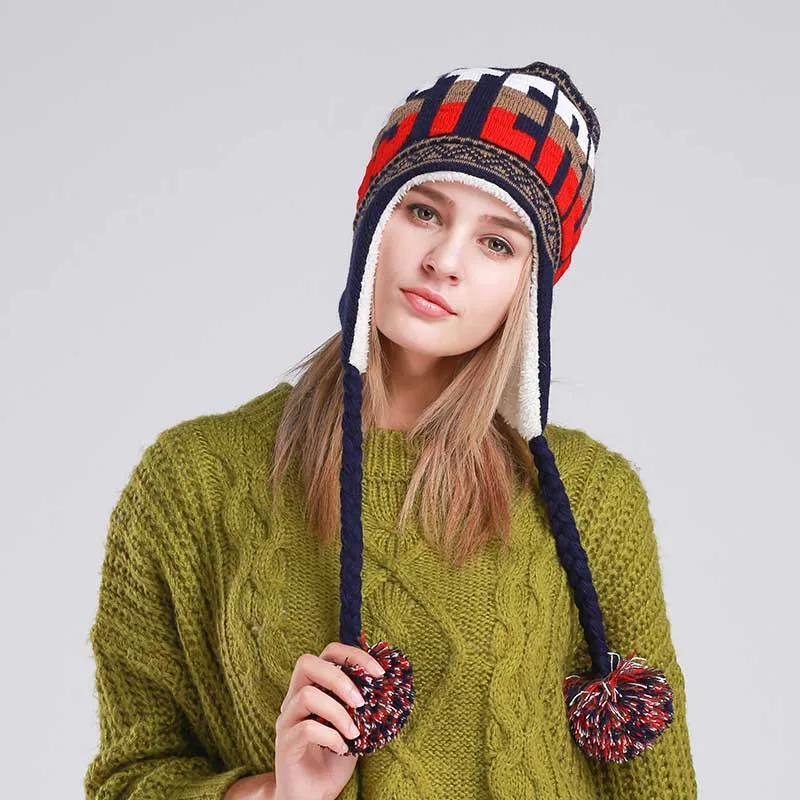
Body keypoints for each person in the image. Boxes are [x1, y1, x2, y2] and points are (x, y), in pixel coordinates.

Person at [84, 61, 698, 800]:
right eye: (424, 211)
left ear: (531, 288)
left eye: (498, 243)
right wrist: (279, 794)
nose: (444, 262)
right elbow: (129, 775)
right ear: (372, 217)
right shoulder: (195, 480)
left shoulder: (591, 498)